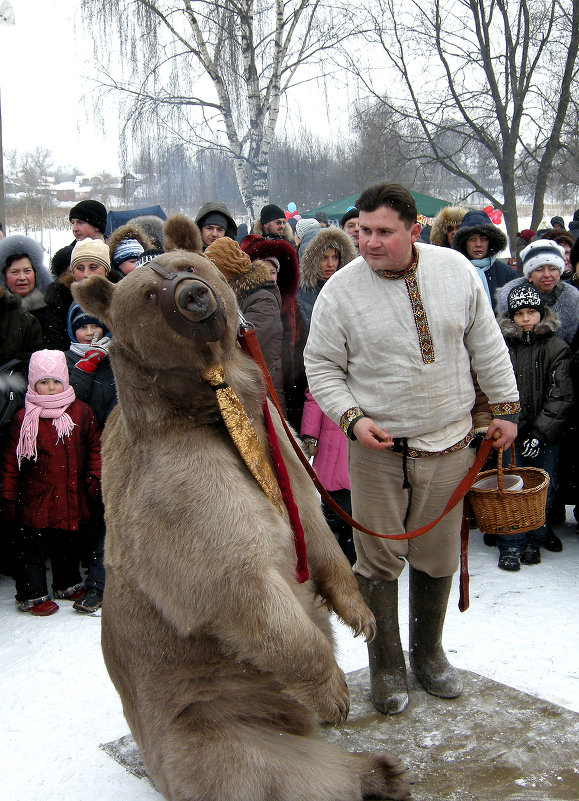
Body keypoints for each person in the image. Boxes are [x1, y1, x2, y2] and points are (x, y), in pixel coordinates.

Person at [304, 182, 519, 715]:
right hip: (378, 450)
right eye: (363, 231)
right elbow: (321, 366)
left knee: (439, 556)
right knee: (376, 561)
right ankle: (386, 666)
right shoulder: (340, 290)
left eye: (383, 232)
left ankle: (429, 655)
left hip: (450, 443)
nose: (369, 243)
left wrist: (507, 407)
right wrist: (352, 420)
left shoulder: (455, 271)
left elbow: (485, 342)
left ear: (413, 230)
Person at [0, 350, 101, 615]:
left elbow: (94, 448)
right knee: (32, 549)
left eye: (56, 381)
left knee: (67, 542)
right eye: (43, 382)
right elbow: (12, 460)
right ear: (33, 383)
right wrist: (8, 495)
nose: (51, 387)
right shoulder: (25, 418)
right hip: (36, 497)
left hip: (70, 493)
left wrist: (94, 475)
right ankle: (32, 594)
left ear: (65, 381)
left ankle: (66, 583)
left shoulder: (81, 412)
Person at [495, 284, 572, 570]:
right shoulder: (502, 346)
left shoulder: (556, 346)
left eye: (532, 312)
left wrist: (541, 433)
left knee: (542, 488)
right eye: (520, 313)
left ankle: (533, 538)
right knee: (509, 488)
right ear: (511, 317)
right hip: (510, 431)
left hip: (545, 435)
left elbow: (560, 394)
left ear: (541, 313)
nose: (526, 318)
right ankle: (510, 542)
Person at [64, 305, 116, 614]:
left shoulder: (116, 357)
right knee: (88, 516)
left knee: (110, 519)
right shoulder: (67, 359)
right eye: (83, 326)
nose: (91, 331)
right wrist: (88, 362)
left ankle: (99, 584)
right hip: (79, 450)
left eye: (96, 325)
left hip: (109, 447)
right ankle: (80, 577)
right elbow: (72, 396)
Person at [204, 237, 287, 414]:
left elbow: (242, 346)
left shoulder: (262, 299)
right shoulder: (236, 297)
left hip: (260, 395)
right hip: (247, 390)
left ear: (224, 273)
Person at [300, 390, 355, 564]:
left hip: (364, 456)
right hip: (334, 447)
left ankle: (350, 566)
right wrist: (310, 436)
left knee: (355, 525)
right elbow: (316, 395)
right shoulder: (331, 369)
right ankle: (325, 563)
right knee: (331, 516)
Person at [495, 240, 579, 345]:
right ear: (529, 275)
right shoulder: (509, 298)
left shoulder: (572, 299)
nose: (547, 275)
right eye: (539, 269)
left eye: (553, 268)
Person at [42, 238, 114, 351]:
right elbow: (54, 348)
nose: (86, 274)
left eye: (93, 267)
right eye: (80, 268)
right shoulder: (58, 301)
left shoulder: (119, 300)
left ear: (106, 270)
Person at [297, 226, 356, 334]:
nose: (331, 264)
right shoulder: (299, 293)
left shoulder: (349, 288)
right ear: (311, 260)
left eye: (335, 257)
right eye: (323, 258)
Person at [452, 209, 515, 304]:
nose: (478, 244)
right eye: (472, 239)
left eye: (484, 239)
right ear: (463, 242)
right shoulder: (453, 273)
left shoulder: (507, 274)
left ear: (491, 241)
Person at [0, 234, 52, 324]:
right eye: (15, 272)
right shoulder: (2, 311)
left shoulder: (50, 307)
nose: (22, 277)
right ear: (4, 277)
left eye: (27, 271)